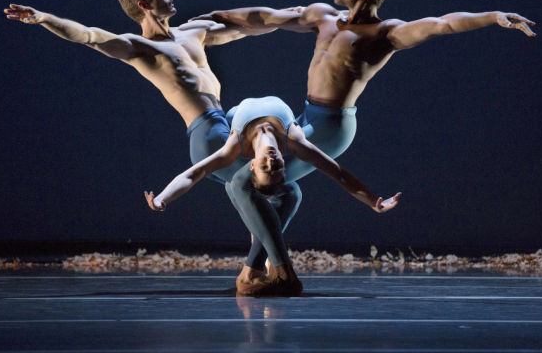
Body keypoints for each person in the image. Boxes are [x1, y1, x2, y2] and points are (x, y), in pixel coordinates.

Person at [4, 0, 301, 294]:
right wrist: (44, 18)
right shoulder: (141, 48)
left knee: (279, 193)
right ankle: (263, 268)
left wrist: (295, 15)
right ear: (145, 5)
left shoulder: (193, 31)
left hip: (224, 126)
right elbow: (88, 36)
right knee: (281, 191)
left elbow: (250, 24)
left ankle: (260, 267)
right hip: (206, 135)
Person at [192, 0, 537, 180]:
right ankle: (267, 259)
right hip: (308, 113)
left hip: (333, 125)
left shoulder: (385, 33)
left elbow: (441, 24)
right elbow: (267, 17)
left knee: (259, 175)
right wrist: (218, 15)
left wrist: (493, 17)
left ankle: (265, 264)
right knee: (250, 168)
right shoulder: (322, 16)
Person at [144, 96, 401, 296]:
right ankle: (275, 266)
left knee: (291, 192)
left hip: (239, 158)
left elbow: (194, 173)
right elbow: (338, 173)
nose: (271, 161)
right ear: (255, 166)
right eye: (276, 166)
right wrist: (373, 200)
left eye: (269, 166)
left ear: (254, 165)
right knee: (252, 186)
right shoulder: (293, 140)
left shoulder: (237, 145)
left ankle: (255, 266)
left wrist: (162, 199)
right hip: (237, 173)